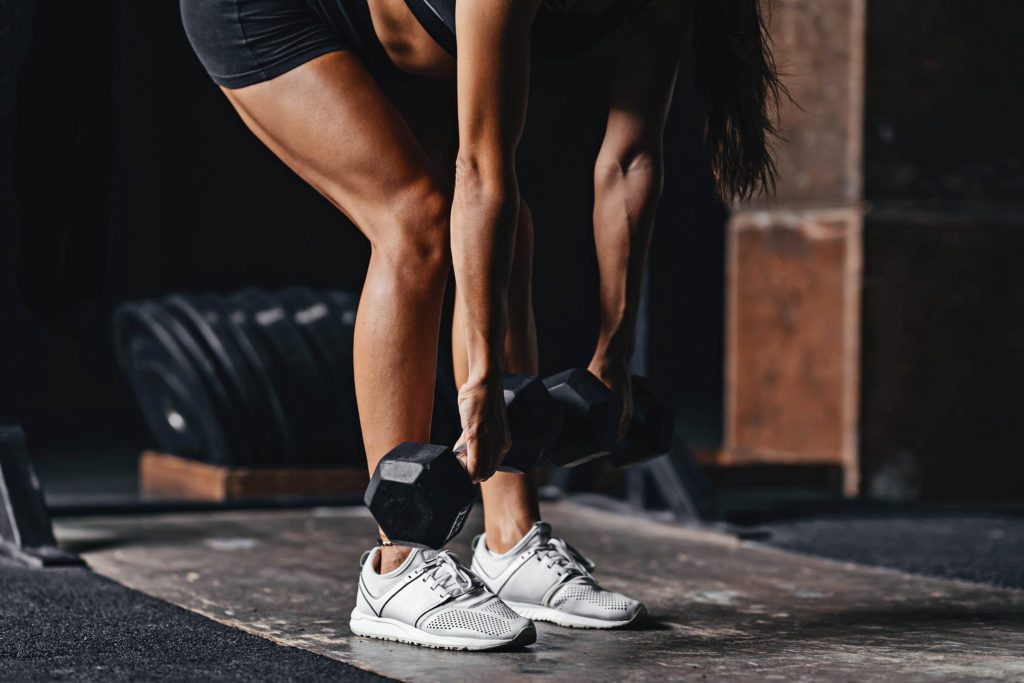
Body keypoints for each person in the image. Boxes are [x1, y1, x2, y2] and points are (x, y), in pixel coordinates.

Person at [180, 0, 782, 650]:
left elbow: (629, 159)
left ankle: (510, 541)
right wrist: (484, 383)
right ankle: (397, 563)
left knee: (507, 232)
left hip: (392, 43)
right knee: (417, 220)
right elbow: (481, 175)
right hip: (263, 13)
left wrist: (615, 353)